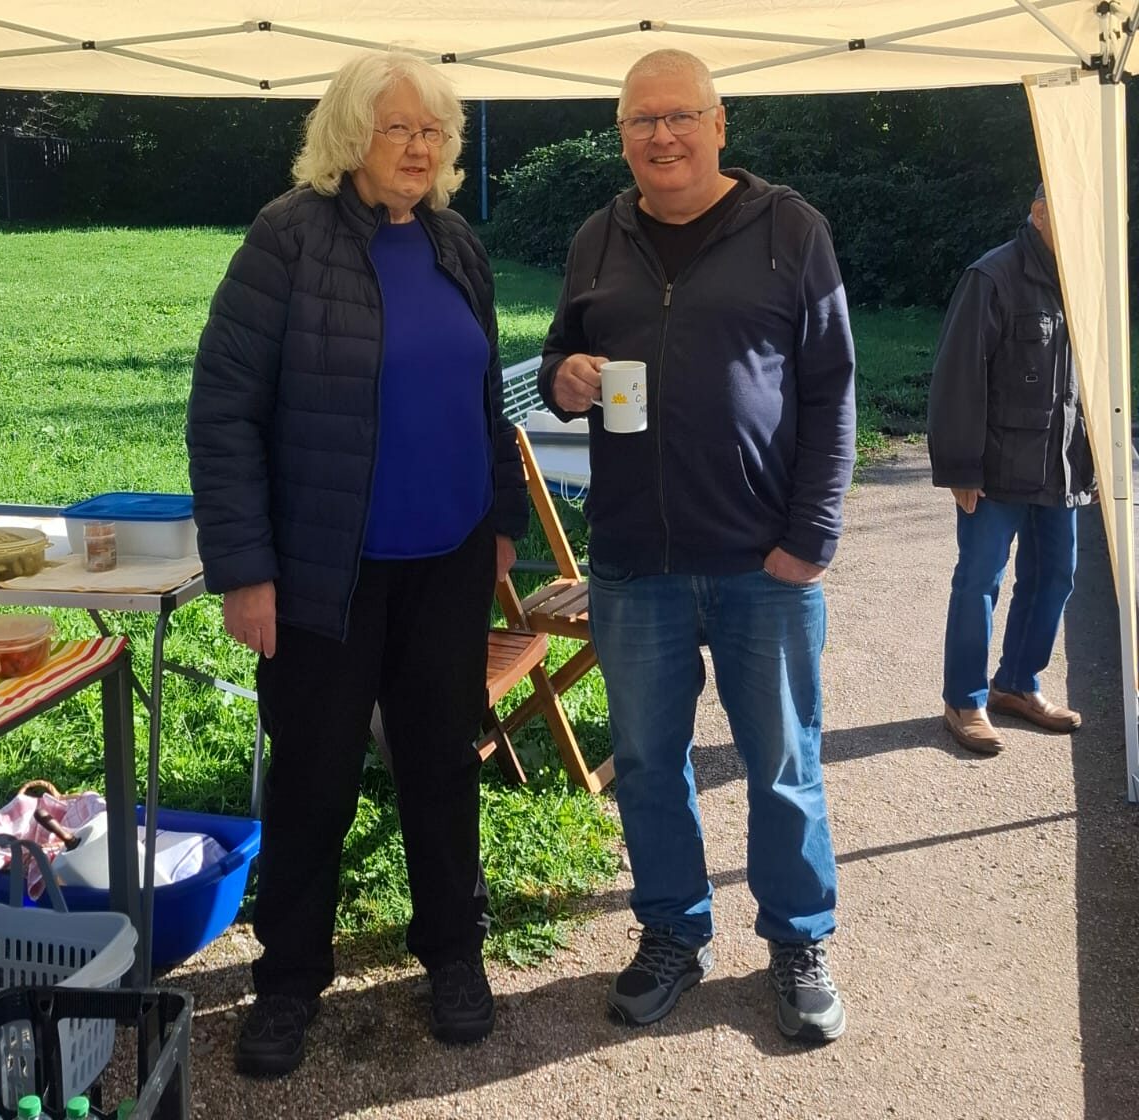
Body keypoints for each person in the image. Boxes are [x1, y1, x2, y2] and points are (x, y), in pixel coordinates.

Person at [186, 51, 527, 1077]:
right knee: (315, 778)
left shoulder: (456, 243)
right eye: (398, 129)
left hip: (450, 559)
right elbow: (223, 412)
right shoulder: (285, 238)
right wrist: (245, 569)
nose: (419, 148)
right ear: (349, 134)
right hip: (326, 573)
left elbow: (483, 399)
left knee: (439, 763)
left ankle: (453, 952)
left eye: (434, 132)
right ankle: (289, 979)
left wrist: (504, 518)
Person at [539, 48, 856, 1043]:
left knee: (782, 763)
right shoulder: (599, 236)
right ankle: (674, 929)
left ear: (721, 124)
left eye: (680, 117)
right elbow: (557, 359)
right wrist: (567, 381)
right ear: (621, 133)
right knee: (645, 762)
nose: (662, 137)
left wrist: (810, 539)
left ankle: (798, 936)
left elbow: (832, 388)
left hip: (763, 562)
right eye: (641, 121)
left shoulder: (791, 229)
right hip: (636, 563)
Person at [928, 183, 1094, 755]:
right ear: (1040, 213)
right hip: (995, 468)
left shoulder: (1086, 278)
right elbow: (957, 375)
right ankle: (964, 699)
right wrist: (958, 466)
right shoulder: (992, 276)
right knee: (979, 582)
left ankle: (1017, 685)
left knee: (1055, 578)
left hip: (1061, 465)